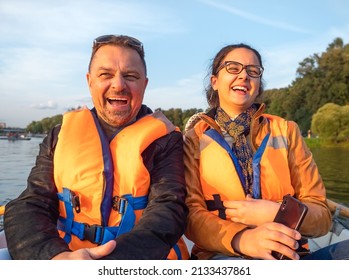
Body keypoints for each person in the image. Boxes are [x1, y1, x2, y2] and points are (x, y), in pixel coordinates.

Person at [3, 34, 189, 260]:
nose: (119, 85)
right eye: (105, 75)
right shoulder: (58, 135)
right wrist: (54, 257)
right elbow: (32, 202)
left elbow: (168, 210)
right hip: (68, 254)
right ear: (90, 81)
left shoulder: (165, 140)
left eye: (130, 76)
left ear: (145, 84)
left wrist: (107, 266)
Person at [183, 43, 349, 260]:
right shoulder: (192, 139)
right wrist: (242, 239)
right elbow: (190, 215)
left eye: (253, 71)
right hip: (222, 255)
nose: (243, 75)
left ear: (258, 85)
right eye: (233, 68)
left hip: (290, 253)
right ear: (214, 81)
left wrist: (276, 213)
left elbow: (322, 215)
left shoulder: (287, 131)